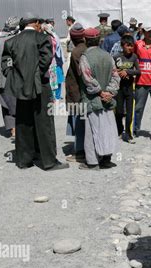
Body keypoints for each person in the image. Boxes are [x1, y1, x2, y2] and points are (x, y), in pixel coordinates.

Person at [2, 14, 69, 170]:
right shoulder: (42, 38)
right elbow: (45, 61)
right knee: (44, 124)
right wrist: (35, 76)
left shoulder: (11, 41)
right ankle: (49, 161)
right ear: (37, 23)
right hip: (41, 87)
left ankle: (24, 160)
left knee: (23, 123)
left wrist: (15, 77)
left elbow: (5, 64)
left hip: (20, 87)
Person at [78, 27, 120, 170]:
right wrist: (109, 92)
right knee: (108, 128)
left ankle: (93, 162)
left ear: (85, 40)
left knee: (90, 132)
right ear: (99, 40)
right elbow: (115, 76)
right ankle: (107, 159)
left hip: (92, 100)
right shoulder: (107, 55)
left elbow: (87, 78)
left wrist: (100, 92)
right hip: (107, 100)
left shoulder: (85, 57)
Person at [133, 25, 151, 136]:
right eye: (148, 31)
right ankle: (136, 129)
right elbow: (134, 59)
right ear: (144, 32)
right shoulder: (138, 45)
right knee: (139, 107)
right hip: (141, 80)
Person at [0, 16, 20, 138]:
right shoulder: (17, 38)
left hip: (1, 77)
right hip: (14, 76)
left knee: (5, 102)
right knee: (16, 101)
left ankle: (12, 128)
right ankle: (18, 126)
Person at [65, 23, 87, 163]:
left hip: (77, 93)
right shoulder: (86, 49)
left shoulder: (76, 52)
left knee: (79, 122)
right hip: (79, 92)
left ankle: (80, 152)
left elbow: (82, 74)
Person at [114, 35, 140, 142]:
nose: (130, 48)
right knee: (119, 111)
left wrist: (128, 71)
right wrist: (118, 72)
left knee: (130, 112)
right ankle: (119, 130)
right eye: (127, 46)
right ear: (122, 46)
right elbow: (112, 71)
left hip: (129, 87)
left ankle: (129, 134)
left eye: (131, 46)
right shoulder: (116, 57)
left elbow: (138, 71)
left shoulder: (134, 57)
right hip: (119, 88)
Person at [42, 22, 65, 100]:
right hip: (55, 60)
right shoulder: (53, 36)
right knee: (56, 78)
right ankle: (56, 95)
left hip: (55, 61)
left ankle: (55, 95)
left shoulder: (51, 37)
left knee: (55, 78)